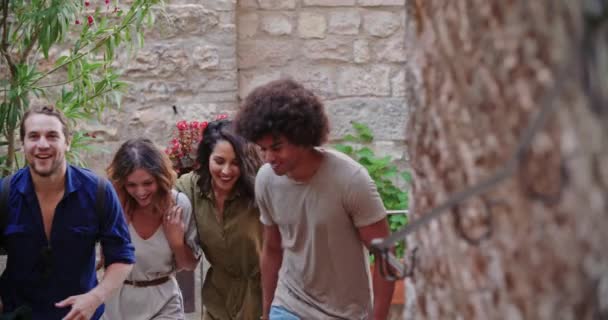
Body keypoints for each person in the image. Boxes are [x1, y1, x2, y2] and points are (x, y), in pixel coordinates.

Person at [233, 79, 396, 320]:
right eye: (262, 148)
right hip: (289, 304)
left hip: (345, 313)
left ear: (302, 137)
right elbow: (272, 247)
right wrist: (267, 312)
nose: (268, 157)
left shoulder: (350, 180)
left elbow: (385, 254)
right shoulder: (266, 179)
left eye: (277, 147)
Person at [0, 105, 135, 319]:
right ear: (23, 144)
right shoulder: (4, 193)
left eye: (52, 136)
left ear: (68, 142)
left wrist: (95, 297)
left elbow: (122, 256)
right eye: (33, 136)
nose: (42, 144)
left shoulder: (98, 191)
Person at [103, 138, 201, 320]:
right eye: (131, 185)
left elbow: (189, 264)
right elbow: (101, 261)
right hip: (117, 303)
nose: (140, 192)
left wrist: (177, 242)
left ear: (160, 177)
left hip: (164, 302)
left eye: (147, 183)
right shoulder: (112, 204)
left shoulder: (178, 205)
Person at [175, 119, 263, 320]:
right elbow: (158, 196)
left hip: (262, 301)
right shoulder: (190, 188)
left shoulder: (261, 189)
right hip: (218, 301)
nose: (226, 171)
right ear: (207, 158)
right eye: (219, 161)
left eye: (235, 163)